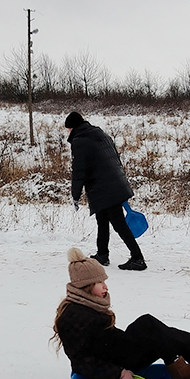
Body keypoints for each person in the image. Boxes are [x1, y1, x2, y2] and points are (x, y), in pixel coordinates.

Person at [52, 248, 190, 379]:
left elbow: (104, 340)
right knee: (150, 328)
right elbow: (81, 362)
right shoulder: (72, 318)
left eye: (104, 281)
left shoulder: (85, 305)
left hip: (117, 352)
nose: (105, 287)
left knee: (151, 328)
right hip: (116, 363)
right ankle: (188, 364)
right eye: (99, 283)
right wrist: (118, 374)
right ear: (85, 287)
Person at [65, 111, 146, 271]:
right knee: (102, 219)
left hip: (105, 187)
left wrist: (75, 194)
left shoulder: (80, 141)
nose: (68, 132)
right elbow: (114, 158)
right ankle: (102, 254)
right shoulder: (100, 134)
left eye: (68, 129)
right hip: (112, 183)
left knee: (119, 223)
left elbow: (79, 170)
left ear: (73, 127)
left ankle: (138, 258)